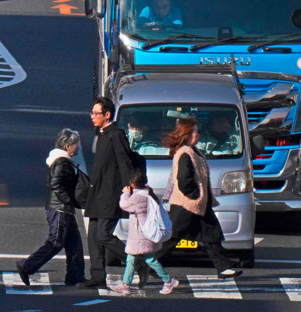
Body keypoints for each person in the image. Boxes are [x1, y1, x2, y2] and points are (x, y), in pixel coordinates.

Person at [157, 117, 242, 279]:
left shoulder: (193, 151)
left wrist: (201, 198)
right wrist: (195, 195)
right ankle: (150, 265)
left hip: (199, 205)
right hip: (186, 205)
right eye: (195, 131)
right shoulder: (184, 153)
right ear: (187, 134)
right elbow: (183, 179)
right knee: (172, 238)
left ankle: (223, 267)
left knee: (211, 235)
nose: (198, 134)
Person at [16, 128, 85, 287]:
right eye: (75, 144)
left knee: (74, 243)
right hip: (59, 208)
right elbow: (55, 183)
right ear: (68, 146)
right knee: (56, 242)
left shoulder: (63, 160)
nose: (77, 147)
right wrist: (68, 200)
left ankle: (75, 276)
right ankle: (26, 266)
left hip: (63, 207)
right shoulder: (61, 162)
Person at [82, 97, 138, 289]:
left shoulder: (116, 134)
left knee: (104, 234)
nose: (92, 117)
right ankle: (97, 275)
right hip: (97, 193)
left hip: (110, 193)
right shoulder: (102, 133)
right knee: (93, 235)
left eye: (96, 113)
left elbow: (125, 161)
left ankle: (137, 262)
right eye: (92, 113)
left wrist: (128, 186)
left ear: (107, 115)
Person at [114, 168, 179, 295]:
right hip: (147, 233)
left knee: (149, 260)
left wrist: (125, 193)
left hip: (141, 235)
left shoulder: (137, 197)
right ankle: (126, 284)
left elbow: (124, 205)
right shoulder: (149, 193)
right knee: (132, 259)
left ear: (132, 184)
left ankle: (168, 280)